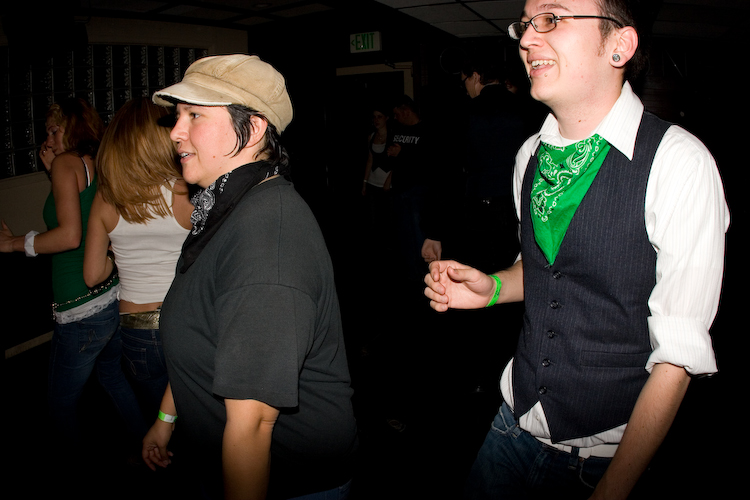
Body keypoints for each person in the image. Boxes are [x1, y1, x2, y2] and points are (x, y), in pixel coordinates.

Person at [424, 1, 729, 499]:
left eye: (552, 19)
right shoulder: (529, 155)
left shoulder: (678, 163)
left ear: (619, 45)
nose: (527, 39)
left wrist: (612, 489)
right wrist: (493, 287)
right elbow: (545, 270)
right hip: (510, 427)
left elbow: (677, 357)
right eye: (526, 24)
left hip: (603, 459)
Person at [141, 54, 358, 500]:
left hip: (288, 480)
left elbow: (254, 423)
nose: (176, 131)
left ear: (254, 129)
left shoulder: (267, 237)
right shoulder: (225, 208)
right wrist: (166, 419)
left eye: (195, 115)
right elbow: (203, 332)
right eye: (177, 116)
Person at [0, 98, 143, 449]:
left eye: (53, 130)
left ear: (73, 128)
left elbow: (69, 236)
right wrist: (54, 173)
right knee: (113, 378)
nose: (46, 140)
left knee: (59, 403)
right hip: (109, 294)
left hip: (79, 305)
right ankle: (150, 448)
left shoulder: (67, 163)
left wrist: (13, 244)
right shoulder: (97, 162)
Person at [421, 52, 530, 397]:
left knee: (471, 287)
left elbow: (444, 176)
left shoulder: (462, 113)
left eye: (465, 79)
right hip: (514, 216)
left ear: (477, 76)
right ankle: (505, 367)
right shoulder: (528, 110)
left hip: (471, 217)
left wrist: (434, 231)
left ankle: (476, 375)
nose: (465, 87)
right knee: (510, 287)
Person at [83, 97, 192, 423]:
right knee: (193, 414)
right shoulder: (185, 191)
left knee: (157, 416)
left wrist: (118, 255)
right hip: (183, 322)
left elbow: (92, 275)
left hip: (136, 329)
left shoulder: (105, 199)